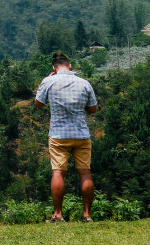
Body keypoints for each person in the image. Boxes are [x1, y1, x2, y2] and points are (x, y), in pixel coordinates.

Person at [34, 51, 98, 222]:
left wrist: (47, 81)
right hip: (81, 135)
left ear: (54, 68)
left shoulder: (49, 81)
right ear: (70, 66)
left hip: (58, 135)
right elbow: (93, 109)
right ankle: (87, 215)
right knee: (85, 173)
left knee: (58, 173)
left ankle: (58, 214)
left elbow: (38, 104)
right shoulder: (84, 83)